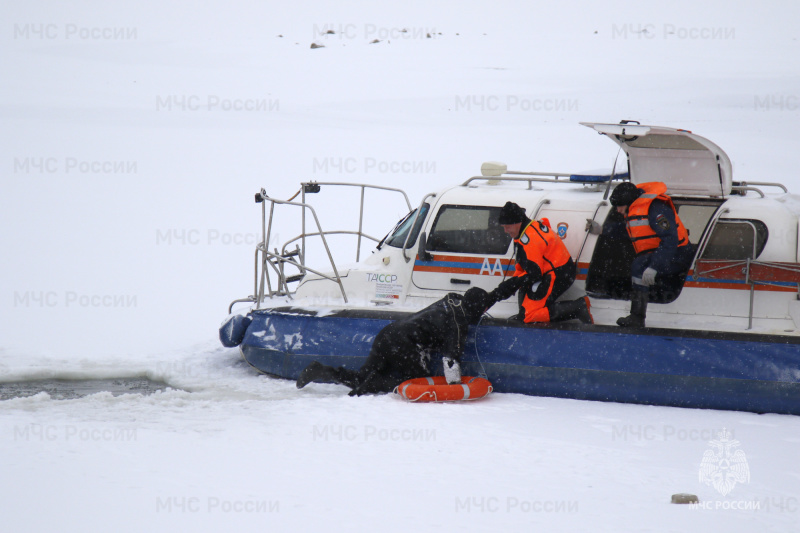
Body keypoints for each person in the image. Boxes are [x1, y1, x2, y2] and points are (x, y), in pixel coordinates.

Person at [296, 287, 494, 395]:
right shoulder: (458, 322)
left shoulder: (452, 301)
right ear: (477, 309)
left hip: (389, 332)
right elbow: (450, 359)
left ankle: (323, 370)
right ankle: (374, 384)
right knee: (415, 382)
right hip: (407, 343)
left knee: (361, 375)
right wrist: (455, 388)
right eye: (484, 310)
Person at [488, 202, 593, 324]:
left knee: (528, 316)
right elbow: (523, 267)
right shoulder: (526, 230)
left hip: (558, 274)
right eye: (503, 227)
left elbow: (534, 274)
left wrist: (508, 286)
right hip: (551, 270)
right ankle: (524, 315)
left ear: (517, 222)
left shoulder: (530, 240)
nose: (506, 231)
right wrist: (511, 286)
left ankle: (578, 307)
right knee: (522, 291)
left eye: (507, 226)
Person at [608, 181, 694, 327]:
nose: (618, 210)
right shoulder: (636, 208)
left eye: (619, 206)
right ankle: (639, 311)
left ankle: (637, 317)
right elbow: (632, 230)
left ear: (628, 202)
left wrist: (654, 266)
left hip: (679, 253)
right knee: (639, 263)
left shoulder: (656, 209)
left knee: (639, 265)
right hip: (664, 252)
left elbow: (670, 240)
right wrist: (603, 230)